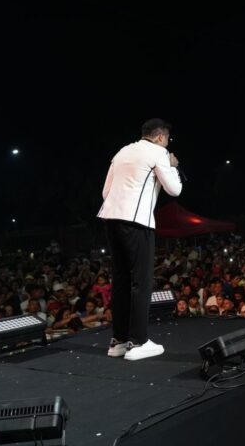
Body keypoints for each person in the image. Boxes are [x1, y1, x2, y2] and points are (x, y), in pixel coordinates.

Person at [98, 118, 183, 361]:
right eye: (167, 139)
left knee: (121, 280)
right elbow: (175, 190)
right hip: (136, 222)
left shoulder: (122, 151)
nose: (167, 143)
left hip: (111, 219)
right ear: (160, 137)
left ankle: (119, 341)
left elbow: (105, 192)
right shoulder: (159, 152)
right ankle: (138, 342)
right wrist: (172, 166)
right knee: (141, 282)